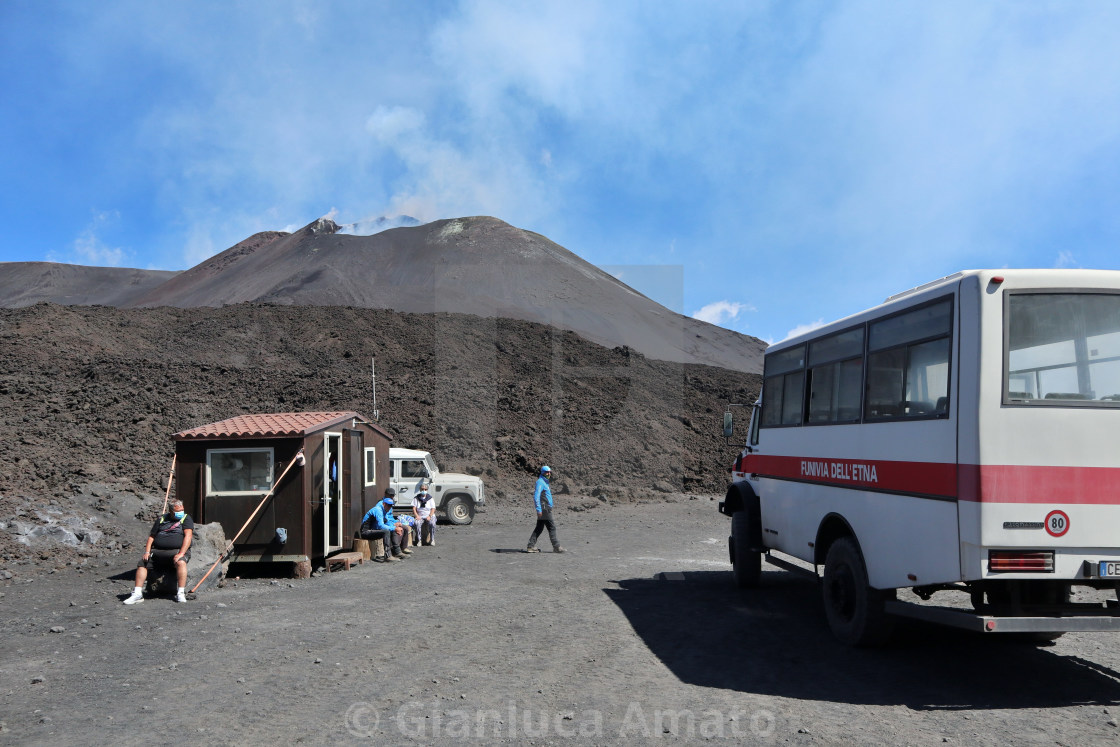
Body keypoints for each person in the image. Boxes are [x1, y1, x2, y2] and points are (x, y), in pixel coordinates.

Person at [123, 499, 194, 604]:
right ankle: (137, 593)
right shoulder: (161, 519)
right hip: (157, 551)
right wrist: (147, 552)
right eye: (177, 511)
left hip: (176, 551)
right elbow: (151, 537)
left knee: (181, 562)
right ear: (170, 511)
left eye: (182, 510)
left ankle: (180, 593)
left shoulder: (186, 518)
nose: (181, 513)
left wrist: (181, 553)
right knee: (143, 563)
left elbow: (188, 536)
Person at [360, 489, 411, 561]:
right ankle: (388, 556)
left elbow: (385, 522)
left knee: (391, 529)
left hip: (373, 529)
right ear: (384, 504)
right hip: (366, 531)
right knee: (387, 531)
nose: (389, 507)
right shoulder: (378, 510)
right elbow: (381, 526)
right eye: (388, 506)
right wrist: (394, 528)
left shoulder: (384, 510)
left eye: (391, 506)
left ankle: (397, 551)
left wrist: (394, 526)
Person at [525, 465, 564, 553]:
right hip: (544, 509)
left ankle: (530, 546)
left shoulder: (545, 482)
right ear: (543, 473)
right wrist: (539, 509)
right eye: (547, 472)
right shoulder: (540, 482)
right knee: (552, 527)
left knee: (539, 528)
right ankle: (556, 547)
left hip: (545, 508)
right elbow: (536, 496)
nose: (549, 473)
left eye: (550, 472)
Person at [413, 481, 437, 546]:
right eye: (422, 489)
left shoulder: (430, 498)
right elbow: (414, 508)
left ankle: (432, 539)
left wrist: (429, 516)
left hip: (429, 515)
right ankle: (419, 540)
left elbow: (433, 508)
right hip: (420, 516)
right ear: (420, 490)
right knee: (417, 523)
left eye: (425, 489)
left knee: (432, 523)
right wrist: (416, 516)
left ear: (427, 490)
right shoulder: (416, 498)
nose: (424, 490)